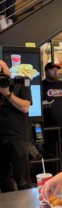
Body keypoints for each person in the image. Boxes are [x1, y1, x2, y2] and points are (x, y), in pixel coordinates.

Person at [0, 60, 32, 192]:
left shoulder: (20, 82)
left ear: (7, 69)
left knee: (22, 180)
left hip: (17, 137)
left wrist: (7, 94)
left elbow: (25, 107)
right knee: (3, 180)